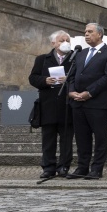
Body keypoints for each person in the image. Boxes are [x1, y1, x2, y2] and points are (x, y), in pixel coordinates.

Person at [67, 23, 107, 180]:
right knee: (81, 137)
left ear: (100, 34)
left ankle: (97, 169)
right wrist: (71, 91)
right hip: (77, 102)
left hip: (97, 103)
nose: (86, 34)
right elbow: (71, 75)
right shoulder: (80, 54)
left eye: (90, 32)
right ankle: (82, 167)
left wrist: (89, 93)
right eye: (85, 32)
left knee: (100, 136)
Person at [28, 30, 75, 179]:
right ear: (53, 43)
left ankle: (64, 166)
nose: (65, 43)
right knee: (48, 139)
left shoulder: (75, 58)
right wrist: (45, 81)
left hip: (67, 105)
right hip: (48, 104)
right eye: (62, 40)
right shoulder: (42, 59)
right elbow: (33, 78)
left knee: (66, 139)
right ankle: (48, 167)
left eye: (67, 40)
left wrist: (68, 79)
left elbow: (81, 77)